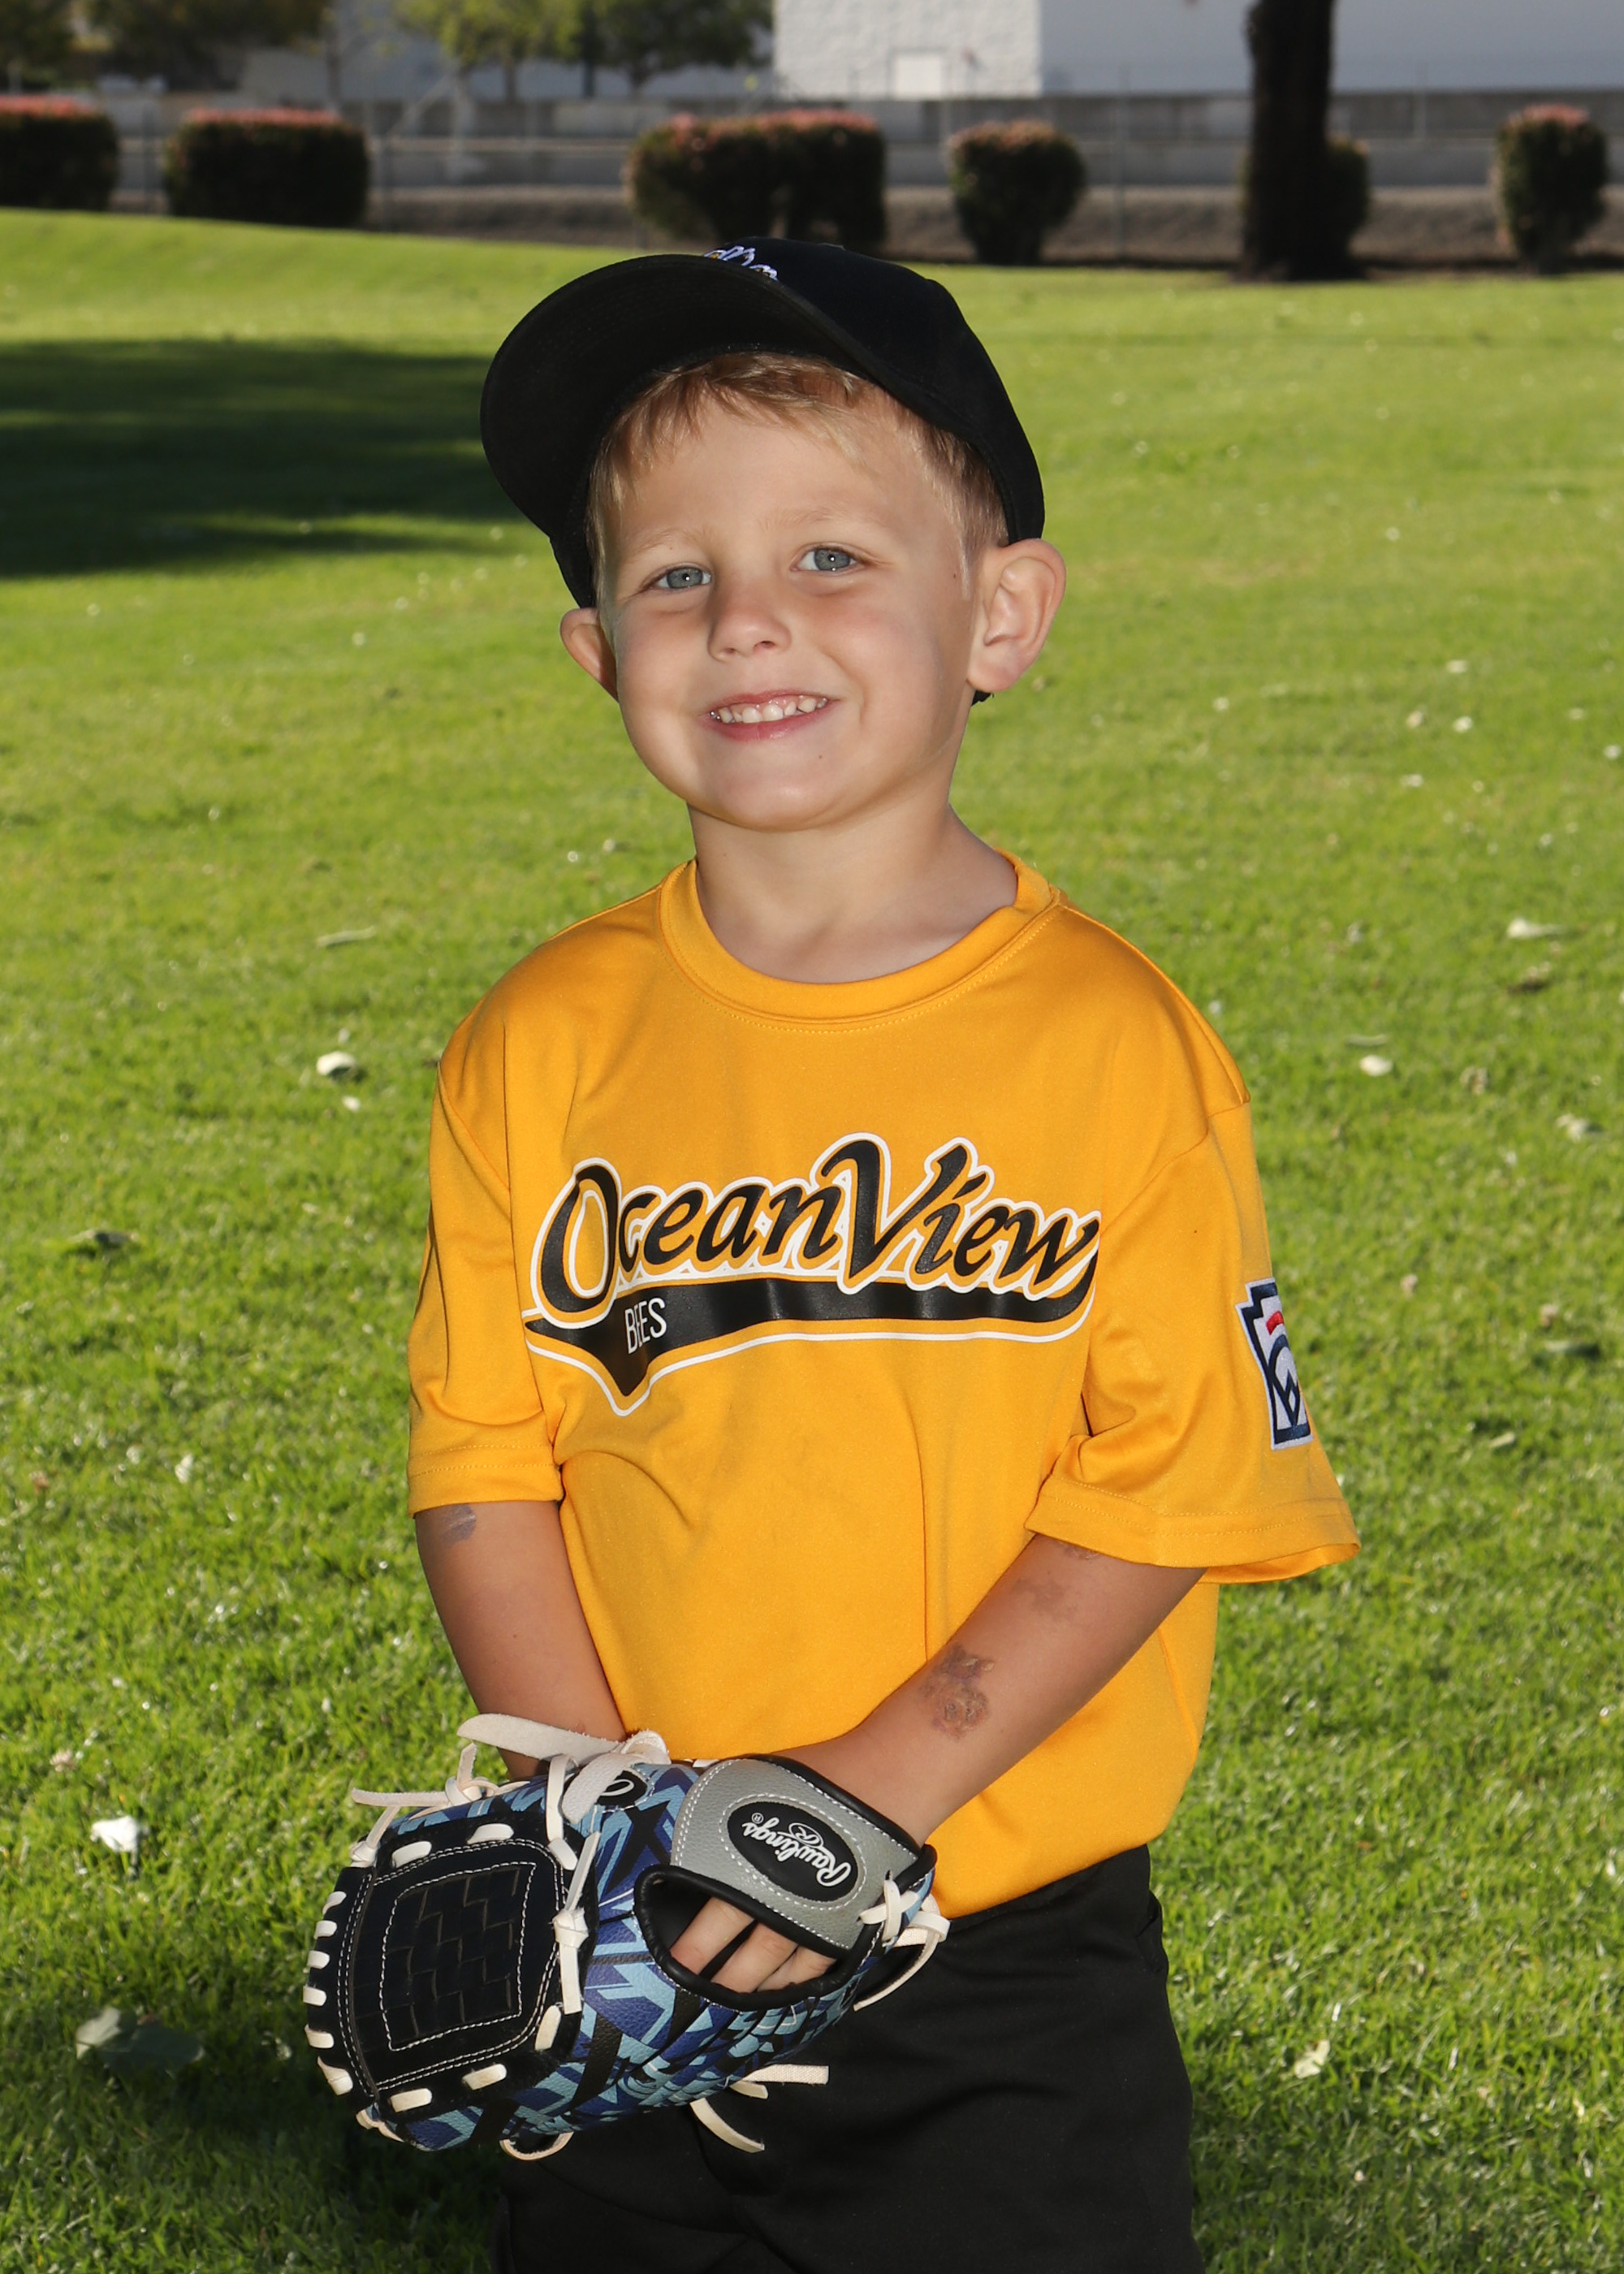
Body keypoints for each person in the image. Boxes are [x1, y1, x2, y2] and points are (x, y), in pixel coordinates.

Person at [406, 241, 1358, 2274]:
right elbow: (486, 1465)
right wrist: (605, 1827)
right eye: (677, 573)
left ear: (998, 612)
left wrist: (857, 1800)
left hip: (996, 1964)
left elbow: (1171, 1479)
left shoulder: (1112, 1044)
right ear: (597, 647)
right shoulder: (535, 1043)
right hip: (641, 1941)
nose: (746, 616)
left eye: (830, 555)